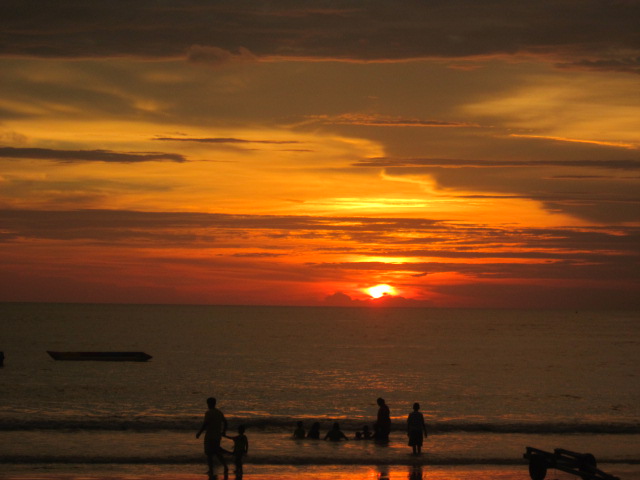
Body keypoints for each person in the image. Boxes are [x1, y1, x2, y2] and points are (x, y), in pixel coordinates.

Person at [196, 397, 228, 475]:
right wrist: (223, 431)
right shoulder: (219, 412)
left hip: (210, 436)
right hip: (217, 436)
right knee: (217, 452)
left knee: (209, 453)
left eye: (208, 403)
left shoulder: (209, 413)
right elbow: (225, 422)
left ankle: (211, 470)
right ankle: (225, 466)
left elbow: (205, 424)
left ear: (209, 404)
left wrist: (199, 433)